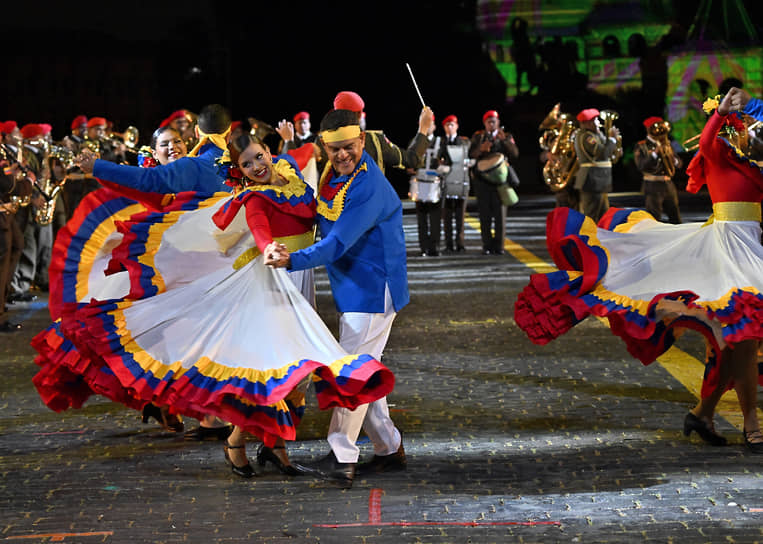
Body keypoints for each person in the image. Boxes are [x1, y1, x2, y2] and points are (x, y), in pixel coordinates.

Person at [31, 121, 395, 478]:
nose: (256, 167)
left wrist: (298, 142)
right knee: (277, 367)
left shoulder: (289, 171)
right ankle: (243, 442)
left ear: (269, 151)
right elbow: (258, 229)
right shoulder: (252, 197)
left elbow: (306, 158)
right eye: (247, 166)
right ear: (239, 171)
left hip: (301, 277)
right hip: (274, 279)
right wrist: (97, 167)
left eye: (258, 157)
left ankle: (275, 445)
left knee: (291, 371)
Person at [514, 91, 763, 453]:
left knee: (740, 337)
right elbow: (708, 141)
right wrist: (720, 114)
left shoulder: (757, 166)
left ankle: (703, 414)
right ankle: (751, 423)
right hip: (724, 247)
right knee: (739, 334)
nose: (756, 134)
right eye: (753, 129)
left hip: (752, 249)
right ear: (735, 132)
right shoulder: (720, 155)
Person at [265, 109, 409, 488]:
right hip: (355, 288)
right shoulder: (335, 175)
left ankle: (342, 454)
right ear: (324, 148)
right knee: (364, 369)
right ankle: (388, 447)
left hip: (373, 290)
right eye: (334, 149)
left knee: (348, 373)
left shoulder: (367, 187)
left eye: (348, 147)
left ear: (362, 141)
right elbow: (316, 206)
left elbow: (337, 242)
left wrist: (292, 259)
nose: (342, 155)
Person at [76, 104, 233, 195]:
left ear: (196, 133)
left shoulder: (191, 165)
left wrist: (97, 166)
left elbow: (147, 179)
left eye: (177, 141)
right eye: (164, 144)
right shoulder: (243, 165)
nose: (172, 147)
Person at [331, 90, 433, 176]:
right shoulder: (374, 140)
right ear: (359, 114)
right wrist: (423, 128)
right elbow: (411, 160)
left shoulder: (321, 142)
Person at [469, 109, 519, 255]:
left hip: (500, 181)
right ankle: (487, 245)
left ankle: (499, 246)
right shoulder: (478, 137)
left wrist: (505, 141)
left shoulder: (506, 136)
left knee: (500, 215)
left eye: (494, 121)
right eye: (489, 121)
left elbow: (515, 154)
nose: (491, 123)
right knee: (484, 215)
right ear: (485, 123)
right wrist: (481, 149)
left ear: (498, 122)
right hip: (482, 181)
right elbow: (471, 154)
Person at [572, 108, 620, 223]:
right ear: (586, 123)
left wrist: (614, 148)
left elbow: (607, 153)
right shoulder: (587, 137)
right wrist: (612, 139)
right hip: (592, 180)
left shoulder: (595, 134)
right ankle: (588, 239)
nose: (598, 122)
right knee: (591, 216)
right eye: (595, 120)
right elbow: (602, 154)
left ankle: (600, 239)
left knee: (603, 215)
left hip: (598, 181)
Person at [634, 116, 683, 224]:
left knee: (675, 217)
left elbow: (679, 164)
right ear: (649, 129)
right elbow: (641, 166)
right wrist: (655, 154)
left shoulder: (667, 144)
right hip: (652, 185)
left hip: (668, 183)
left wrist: (671, 157)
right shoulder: (642, 146)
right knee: (654, 217)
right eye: (657, 127)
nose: (660, 131)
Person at [438, 114, 471, 253]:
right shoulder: (441, 143)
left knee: (460, 215)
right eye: (447, 125)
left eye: (452, 125)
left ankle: (460, 243)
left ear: (456, 126)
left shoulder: (464, 142)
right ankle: (449, 244)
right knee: (446, 215)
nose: (449, 128)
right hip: (446, 182)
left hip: (460, 181)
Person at [411, 115, 442, 256]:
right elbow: (408, 160)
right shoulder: (415, 142)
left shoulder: (440, 142)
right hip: (420, 182)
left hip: (435, 183)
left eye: (430, 124)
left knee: (435, 217)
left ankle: (435, 247)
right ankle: (423, 247)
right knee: (422, 218)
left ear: (434, 126)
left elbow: (448, 161)